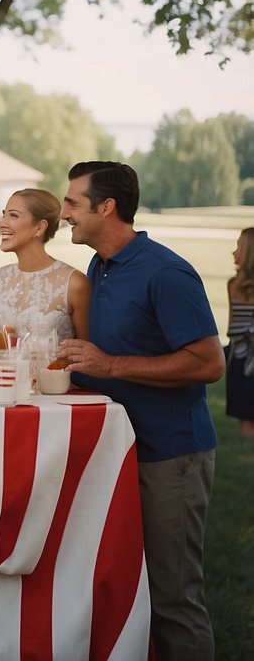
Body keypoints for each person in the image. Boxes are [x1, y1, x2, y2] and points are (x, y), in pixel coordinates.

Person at [57, 161, 224, 660]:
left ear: (105, 207)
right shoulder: (100, 265)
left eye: (71, 203)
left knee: (173, 596)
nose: (64, 212)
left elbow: (209, 362)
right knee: (133, 589)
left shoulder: (166, 271)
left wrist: (110, 366)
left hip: (168, 454)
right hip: (117, 451)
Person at [0, 188, 90, 347]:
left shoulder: (74, 284)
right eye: (4, 215)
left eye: (13, 215)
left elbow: (88, 357)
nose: (2, 223)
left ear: (39, 227)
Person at [225, 228, 254, 438]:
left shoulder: (235, 285)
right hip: (241, 354)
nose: (234, 252)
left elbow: (233, 326)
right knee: (245, 412)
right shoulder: (232, 284)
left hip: (246, 354)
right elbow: (232, 326)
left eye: (238, 247)